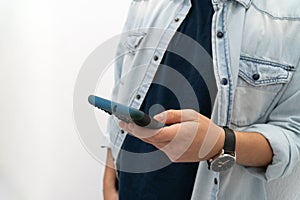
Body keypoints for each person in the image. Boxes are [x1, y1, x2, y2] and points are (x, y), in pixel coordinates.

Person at [103, 0, 300, 199]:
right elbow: (122, 88)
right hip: (128, 190)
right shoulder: (147, 3)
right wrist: (109, 176)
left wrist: (218, 143)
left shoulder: (291, 19)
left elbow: (291, 135)